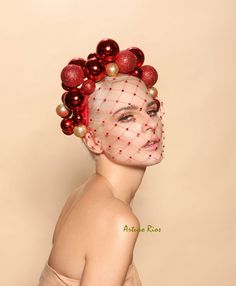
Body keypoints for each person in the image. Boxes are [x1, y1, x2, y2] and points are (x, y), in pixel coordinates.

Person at [38, 39, 165, 286]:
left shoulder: (79, 196)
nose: (150, 123)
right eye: (126, 116)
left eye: (150, 110)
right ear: (94, 140)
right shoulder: (117, 221)